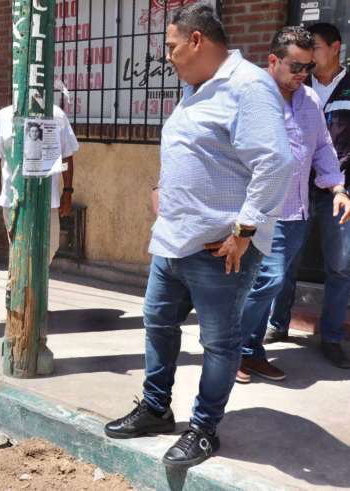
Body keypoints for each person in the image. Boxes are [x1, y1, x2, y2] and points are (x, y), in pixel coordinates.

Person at [103, 5, 294, 467]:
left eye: (171, 46)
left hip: (219, 248)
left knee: (219, 343)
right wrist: (161, 187)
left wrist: (244, 231)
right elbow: (193, 149)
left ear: (196, 41)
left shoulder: (248, 86)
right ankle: (155, 409)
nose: (167, 56)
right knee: (157, 323)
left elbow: (275, 162)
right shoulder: (196, 88)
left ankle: (204, 429)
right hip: (173, 240)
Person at [236, 27, 350, 384]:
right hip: (258, 209)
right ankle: (231, 349)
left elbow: (323, 149)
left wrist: (337, 187)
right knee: (266, 282)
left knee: (269, 282)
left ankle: (250, 351)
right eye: (296, 67)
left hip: (296, 210)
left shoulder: (309, 100)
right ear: (273, 60)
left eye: (308, 67)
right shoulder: (250, 95)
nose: (304, 74)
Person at [268, 22, 350, 369]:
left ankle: (331, 337)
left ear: (335, 47)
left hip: (339, 192)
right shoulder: (301, 87)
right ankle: (277, 324)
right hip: (296, 190)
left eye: (313, 48)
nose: (307, 62)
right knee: (283, 263)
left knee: (340, 266)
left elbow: (328, 148)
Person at [0, 103, 79, 374]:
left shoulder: (56, 114)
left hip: (48, 202)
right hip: (14, 201)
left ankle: (32, 304)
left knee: (47, 252)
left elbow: (68, 156)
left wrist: (68, 191)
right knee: (19, 259)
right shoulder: (3, 116)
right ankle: (18, 317)